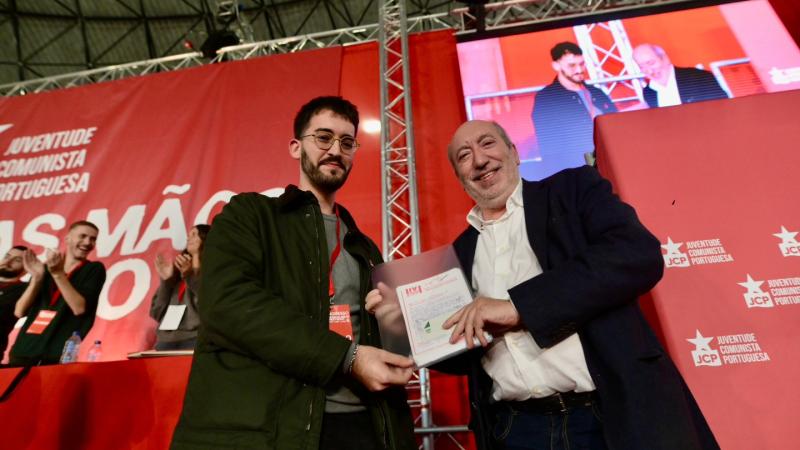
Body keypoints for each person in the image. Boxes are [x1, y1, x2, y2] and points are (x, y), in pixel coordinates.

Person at [371, 120, 719, 449]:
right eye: (464, 156)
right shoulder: (459, 254)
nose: (479, 160)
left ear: (514, 152)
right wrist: (404, 329)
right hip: (515, 429)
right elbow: (466, 353)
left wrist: (518, 308)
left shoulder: (573, 190)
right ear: (460, 178)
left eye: (487, 143)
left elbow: (636, 254)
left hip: (609, 416)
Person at [171, 96, 416, 450]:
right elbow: (226, 303)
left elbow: (386, 340)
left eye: (347, 142)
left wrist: (394, 322)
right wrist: (347, 358)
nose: (336, 150)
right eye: (324, 137)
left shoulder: (364, 247)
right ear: (295, 146)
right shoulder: (250, 215)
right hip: (275, 427)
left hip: (363, 424)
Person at [10, 221, 106, 366]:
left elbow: (79, 308)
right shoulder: (44, 269)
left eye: (93, 239)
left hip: (57, 355)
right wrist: (37, 278)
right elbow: (19, 311)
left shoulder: (94, 269)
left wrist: (57, 274)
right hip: (23, 350)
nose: (87, 242)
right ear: (68, 238)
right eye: (82, 236)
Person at [531, 42, 617, 174]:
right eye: (572, 65)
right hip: (576, 171)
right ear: (556, 65)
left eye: (582, 64)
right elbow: (549, 146)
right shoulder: (547, 98)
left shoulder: (596, 92)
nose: (579, 70)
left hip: (609, 163)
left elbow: (615, 125)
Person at [150, 224, 210, 351]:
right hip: (165, 341)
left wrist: (190, 276)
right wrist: (166, 281)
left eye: (194, 234)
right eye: (188, 235)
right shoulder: (177, 274)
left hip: (195, 339)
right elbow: (156, 312)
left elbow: (209, 303)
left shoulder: (212, 272)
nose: (189, 238)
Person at [633, 43, 728, 108]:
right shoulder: (648, 92)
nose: (649, 71)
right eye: (642, 67)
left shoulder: (699, 77)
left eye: (651, 63)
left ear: (665, 58)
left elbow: (722, 109)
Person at [0, 245, 29, 357]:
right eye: (7, 256)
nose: (8, 261)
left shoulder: (23, 289)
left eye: (17, 260)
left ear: (26, 268)